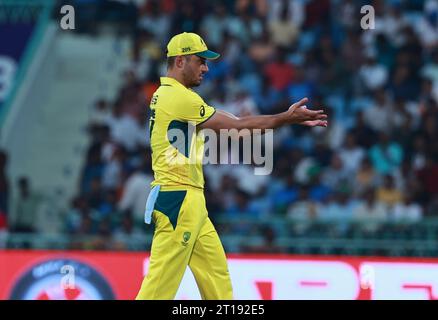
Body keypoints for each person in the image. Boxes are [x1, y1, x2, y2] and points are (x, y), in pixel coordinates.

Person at [135, 32, 327, 300]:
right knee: (159, 286)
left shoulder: (168, 94)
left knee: (217, 276)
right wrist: (286, 118)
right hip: (178, 199)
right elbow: (237, 126)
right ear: (180, 61)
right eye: (200, 61)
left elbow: (233, 123)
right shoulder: (179, 97)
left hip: (190, 199)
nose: (205, 68)